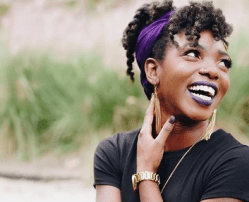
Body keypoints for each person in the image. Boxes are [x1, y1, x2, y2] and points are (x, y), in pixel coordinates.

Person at [93, 1, 249, 202]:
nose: (213, 70)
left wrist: (147, 175)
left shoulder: (235, 162)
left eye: (223, 62)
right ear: (153, 70)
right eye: (193, 54)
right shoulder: (114, 152)